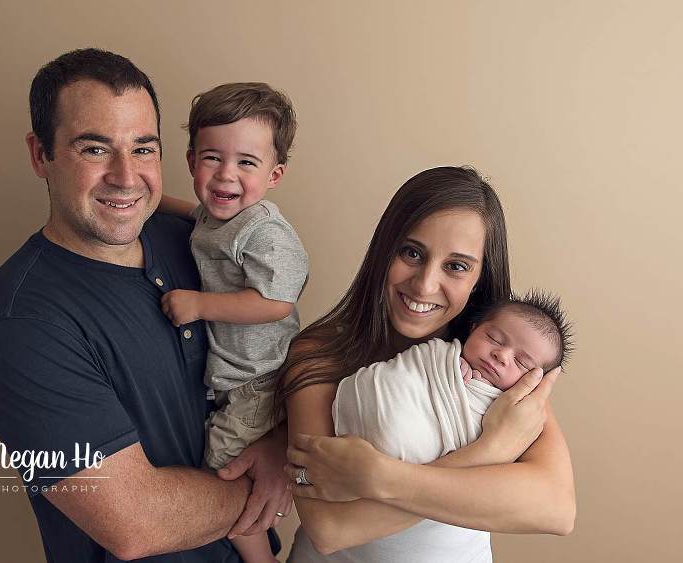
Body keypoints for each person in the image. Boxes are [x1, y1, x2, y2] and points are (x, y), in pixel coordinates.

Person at [0, 48, 289, 563]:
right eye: (94, 149)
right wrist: (270, 485)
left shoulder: (196, 240)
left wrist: (278, 442)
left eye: (143, 149)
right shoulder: (18, 324)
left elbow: (270, 357)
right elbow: (134, 522)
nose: (126, 175)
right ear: (39, 155)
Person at [275, 167, 576, 561]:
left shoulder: (497, 366)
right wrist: (488, 453)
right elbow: (331, 529)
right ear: (385, 250)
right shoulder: (320, 353)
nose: (424, 285)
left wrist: (377, 477)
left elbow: (556, 508)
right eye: (412, 253)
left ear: (480, 277)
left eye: (456, 266)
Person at [158, 82, 308, 563]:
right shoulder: (215, 214)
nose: (226, 175)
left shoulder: (264, 231)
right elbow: (194, 215)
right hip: (236, 375)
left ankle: (258, 558)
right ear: (190, 161)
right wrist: (152, 199)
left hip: (260, 377)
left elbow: (276, 303)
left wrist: (201, 306)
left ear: (275, 173)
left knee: (223, 466)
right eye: (211, 158)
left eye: (246, 162)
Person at [332, 291, 575, 557]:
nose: (501, 355)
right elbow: (328, 531)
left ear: (536, 381)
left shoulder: (524, 410)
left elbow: (559, 513)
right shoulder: (438, 357)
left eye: (521, 362)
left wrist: (379, 475)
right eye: (493, 338)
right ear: (474, 328)